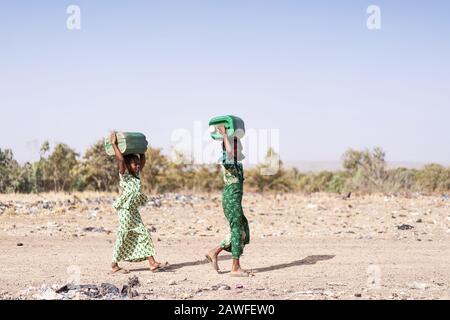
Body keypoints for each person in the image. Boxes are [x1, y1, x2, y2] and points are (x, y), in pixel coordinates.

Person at [109, 132, 168, 274]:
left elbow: (143, 161)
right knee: (124, 235)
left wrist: (142, 149)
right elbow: (121, 161)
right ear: (128, 165)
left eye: (137, 164)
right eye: (134, 164)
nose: (137, 166)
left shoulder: (136, 175)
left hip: (133, 210)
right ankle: (114, 264)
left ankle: (152, 263)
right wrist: (113, 144)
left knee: (143, 233)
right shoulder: (125, 175)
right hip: (125, 210)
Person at [206, 125, 251, 277]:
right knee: (237, 230)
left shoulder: (238, 163)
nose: (237, 147)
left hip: (235, 201)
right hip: (230, 201)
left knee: (242, 229)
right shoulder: (227, 160)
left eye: (238, 144)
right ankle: (235, 267)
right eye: (233, 144)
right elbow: (229, 151)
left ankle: (214, 251)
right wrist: (225, 134)